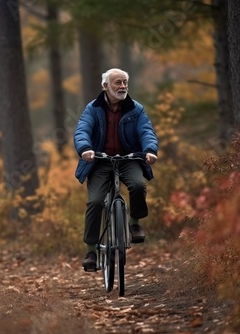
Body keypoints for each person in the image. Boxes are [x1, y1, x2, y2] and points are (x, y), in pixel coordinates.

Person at [74, 68, 158, 271]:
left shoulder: (135, 109)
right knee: (94, 202)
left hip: (129, 158)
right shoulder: (93, 108)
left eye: (125, 83)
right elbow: (82, 130)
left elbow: (146, 130)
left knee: (138, 185)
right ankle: (91, 250)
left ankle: (134, 223)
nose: (122, 87)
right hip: (100, 160)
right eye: (117, 83)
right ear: (105, 86)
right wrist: (86, 149)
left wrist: (149, 150)